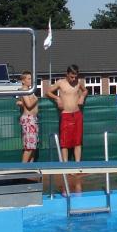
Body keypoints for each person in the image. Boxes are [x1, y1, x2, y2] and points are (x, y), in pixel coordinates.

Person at [46, 65, 87, 193]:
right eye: (71, 76)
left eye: (75, 77)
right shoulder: (61, 83)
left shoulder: (78, 83)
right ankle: (65, 166)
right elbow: (47, 92)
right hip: (65, 115)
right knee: (65, 142)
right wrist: (57, 98)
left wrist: (82, 96)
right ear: (67, 74)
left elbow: (85, 90)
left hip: (77, 114)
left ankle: (77, 166)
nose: (73, 79)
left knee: (77, 141)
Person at [16, 71, 39, 163]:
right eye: (29, 79)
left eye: (31, 78)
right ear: (23, 81)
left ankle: (30, 168)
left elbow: (21, 102)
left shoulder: (29, 90)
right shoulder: (24, 90)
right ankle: (22, 169)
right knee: (29, 147)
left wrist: (20, 103)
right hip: (28, 120)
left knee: (33, 146)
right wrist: (36, 99)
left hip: (33, 119)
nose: (31, 81)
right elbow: (29, 105)